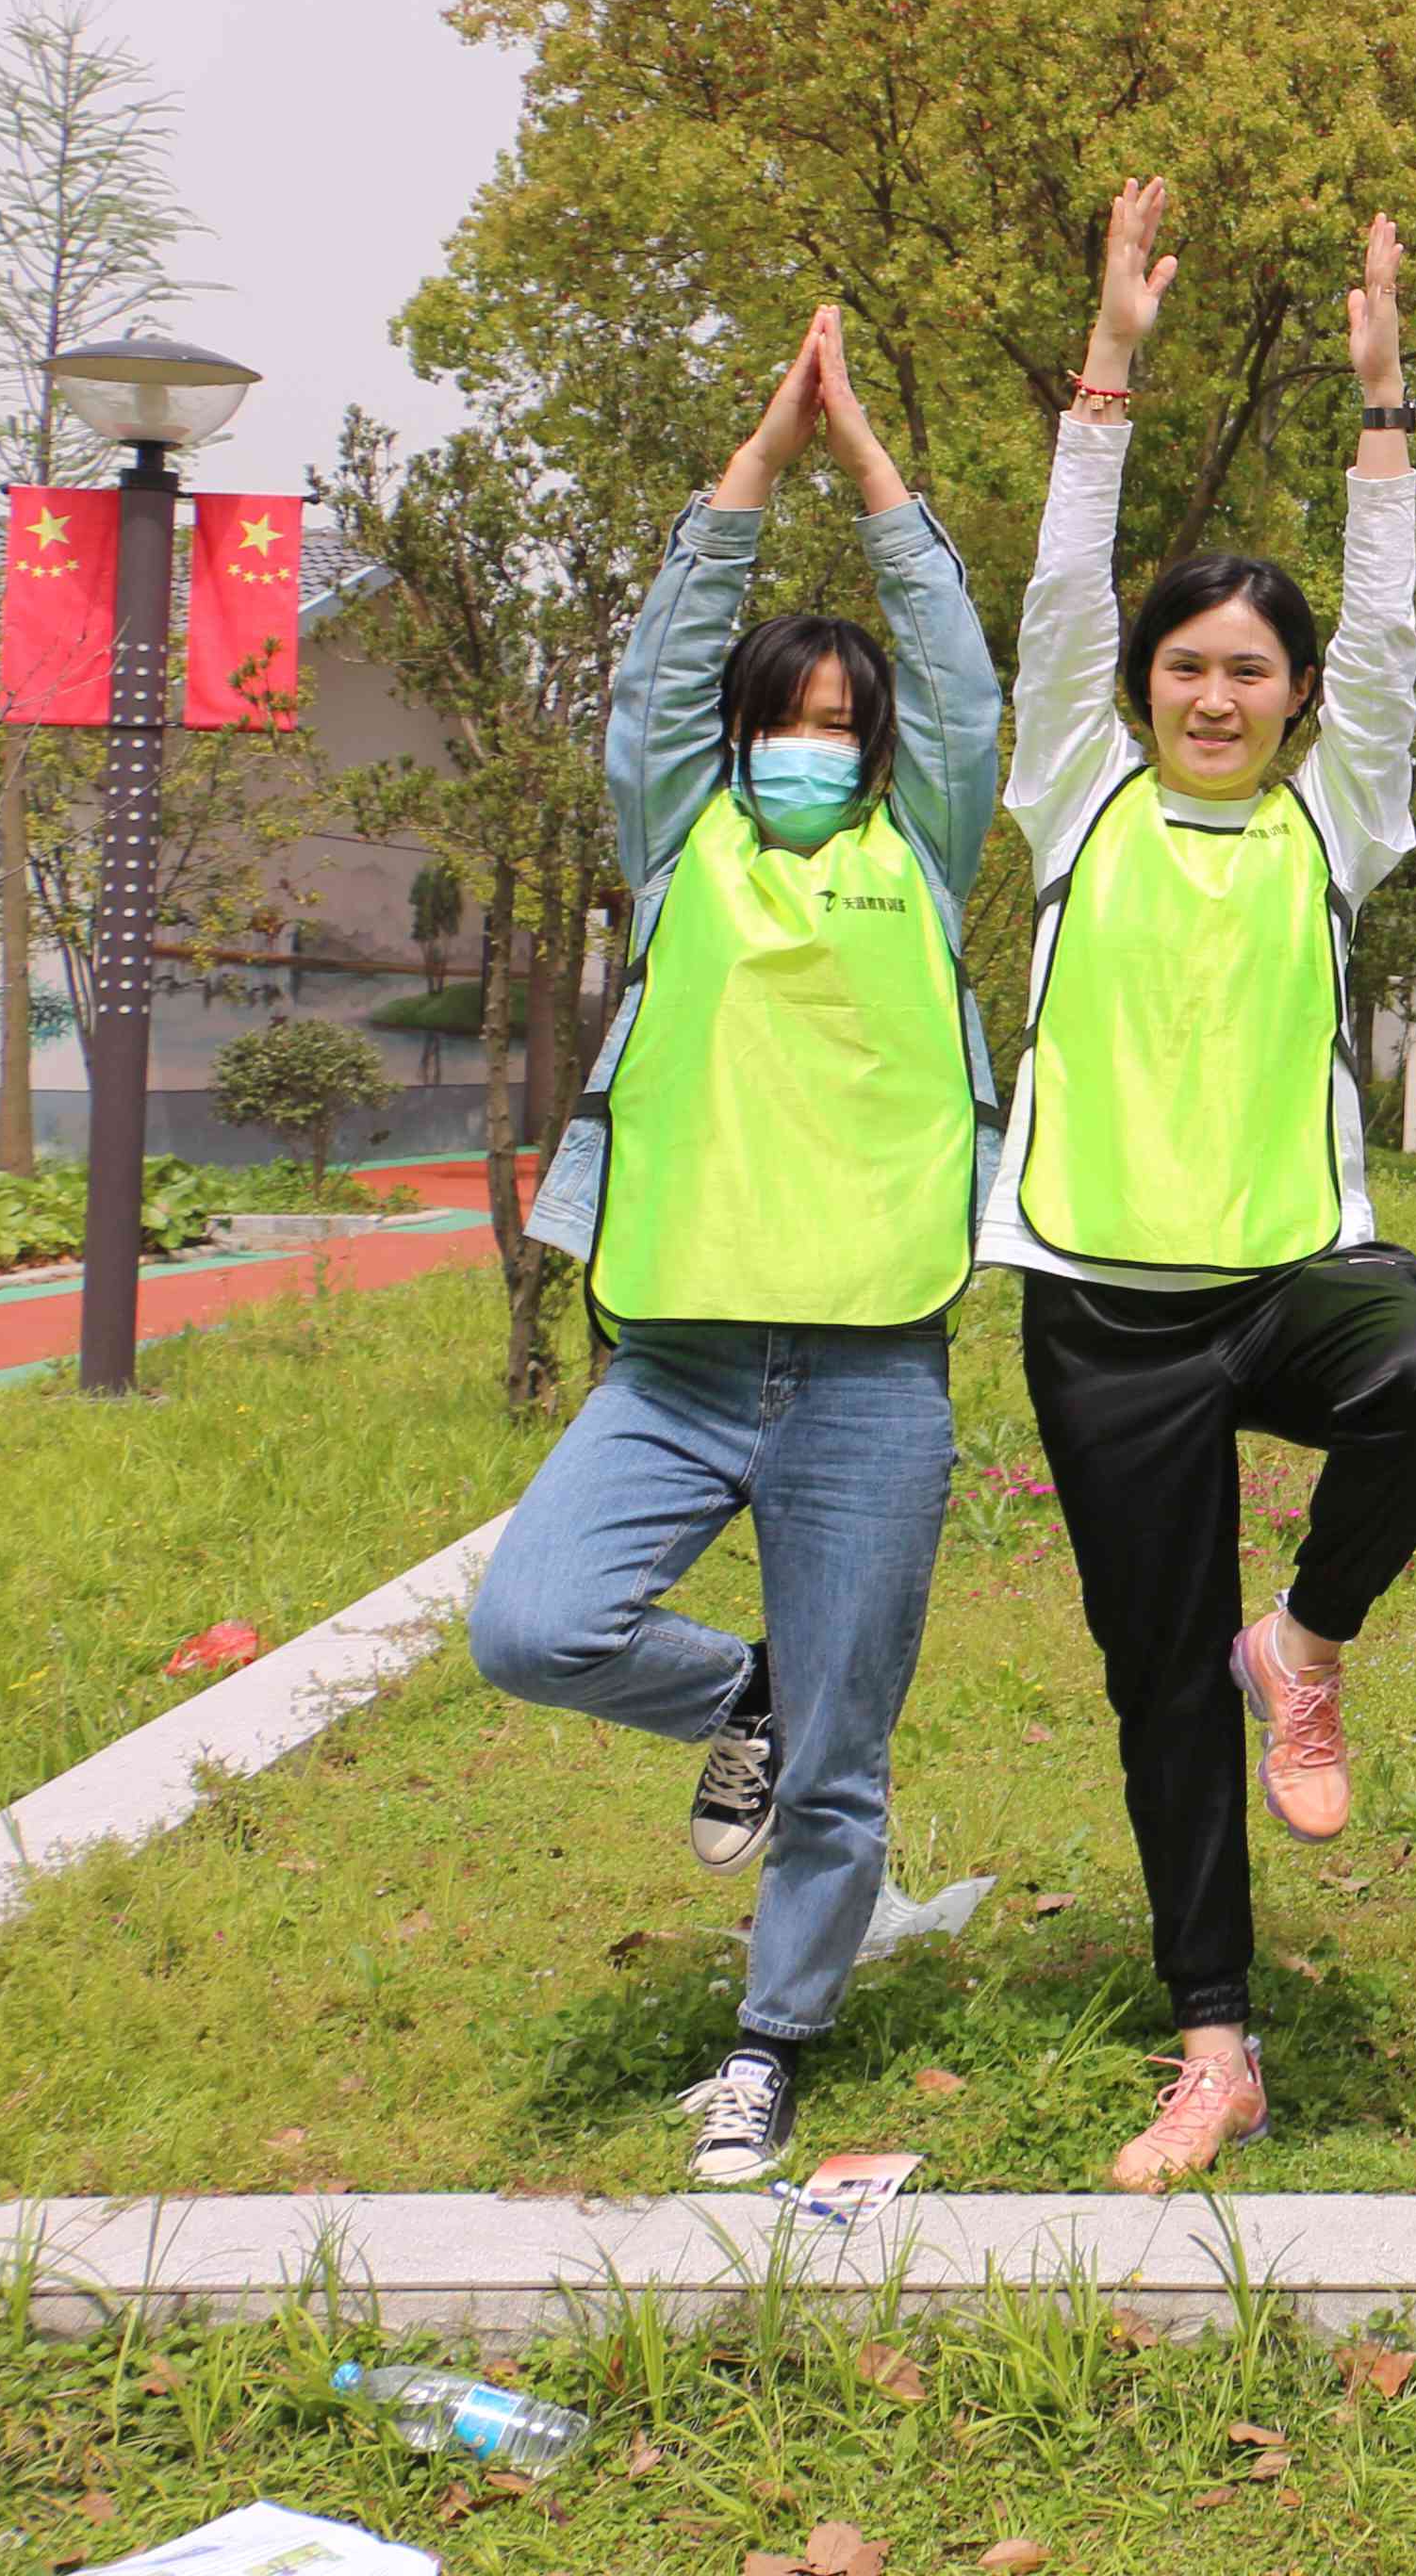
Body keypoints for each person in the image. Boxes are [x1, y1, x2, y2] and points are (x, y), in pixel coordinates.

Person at [999, 180, 1416, 2192]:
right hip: (1101, 1305)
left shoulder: (1335, 820)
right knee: (1153, 1692)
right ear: (1142, 691)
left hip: (1294, 1274)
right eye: (1188, 668)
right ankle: (1218, 2044)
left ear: (1294, 703)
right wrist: (1105, 370)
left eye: (1252, 673)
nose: (1219, 695)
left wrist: (1385, 414)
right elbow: (1055, 594)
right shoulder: (1071, 789)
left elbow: (1388, 639)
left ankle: (1306, 1641)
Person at [468, 310, 1000, 2188]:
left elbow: (960, 685)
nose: (814, 747)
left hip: (872, 1373)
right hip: (681, 1364)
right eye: (787, 722)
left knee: (845, 1768)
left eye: (842, 730)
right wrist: (754, 470)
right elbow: (657, 677)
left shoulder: (921, 851)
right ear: (740, 742)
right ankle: (743, 1698)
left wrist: (874, 470)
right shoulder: (678, 839)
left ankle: (773, 2044)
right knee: (535, 1626)